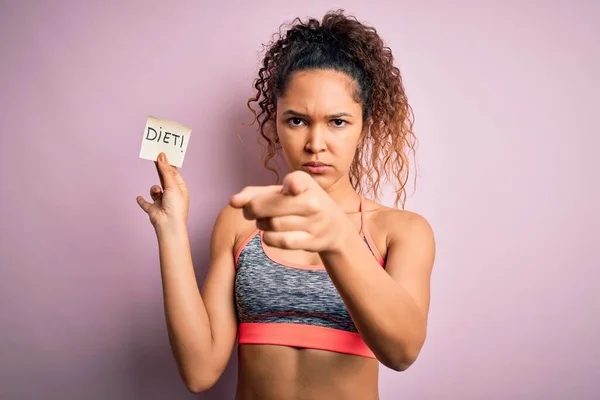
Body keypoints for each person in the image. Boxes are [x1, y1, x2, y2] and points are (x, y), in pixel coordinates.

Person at [136, 9, 435, 400]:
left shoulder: (401, 232)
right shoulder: (240, 222)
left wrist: (336, 238)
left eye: (338, 122)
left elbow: (402, 351)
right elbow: (199, 371)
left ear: (365, 124)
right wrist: (171, 229)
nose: (315, 143)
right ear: (274, 121)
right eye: (296, 120)